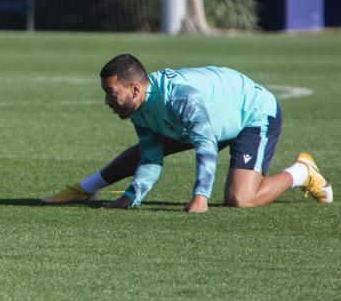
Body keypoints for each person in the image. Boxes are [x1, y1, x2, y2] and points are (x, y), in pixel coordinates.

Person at [43, 54, 332, 211]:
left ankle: (301, 172)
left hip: (253, 114)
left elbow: (205, 145)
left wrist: (200, 195)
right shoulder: (140, 105)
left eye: (110, 92)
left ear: (133, 89)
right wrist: (133, 195)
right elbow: (151, 156)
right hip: (216, 118)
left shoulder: (180, 99)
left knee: (241, 199)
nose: (107, 101)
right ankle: (84, 190)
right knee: (143, 151)